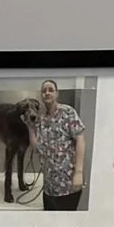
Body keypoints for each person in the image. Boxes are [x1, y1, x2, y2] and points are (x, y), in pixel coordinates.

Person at [34, 80, 87, 212]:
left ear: (57, 94)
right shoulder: (41, 119)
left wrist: (79, 173)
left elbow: (80, 139)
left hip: (68, 186)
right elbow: (36, 148)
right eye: (44, 91)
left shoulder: (68, 112)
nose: (47, 93)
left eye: (51, 90)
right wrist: (30, 127)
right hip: (49, 188)